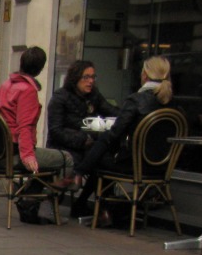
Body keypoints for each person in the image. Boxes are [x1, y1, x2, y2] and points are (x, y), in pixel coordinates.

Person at [73, 55, 173, 228]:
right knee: (103, 154)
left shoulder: (136, 100)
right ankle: (94, 205)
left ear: (145, 75)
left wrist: (83, 166)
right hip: (161, 166)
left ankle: (101, 207)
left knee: (99, 156)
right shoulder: (172, 103)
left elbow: (114, 134)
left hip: (134, 164)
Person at [0, 46, 75, 224]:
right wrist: (28, 156)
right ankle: (33, 198)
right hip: (15, 154)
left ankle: (29, 196)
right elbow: (25, 126)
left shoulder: (6, 85)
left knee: (49, 160)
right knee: (65, 158)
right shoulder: (27, 91)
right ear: (41, 68)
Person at [46, 60, 118, 218]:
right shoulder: (60, 98)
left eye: (93, 77)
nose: (91, 81)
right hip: (65, 146)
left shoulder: (94, 96)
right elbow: (56, 131)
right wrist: (82, 139)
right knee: (101, 160)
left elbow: (111, 111)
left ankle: (88, 202)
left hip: (88, 148)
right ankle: (93, 205)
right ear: (75, 78)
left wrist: (124, 115)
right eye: (86, 77)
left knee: (106, 163)